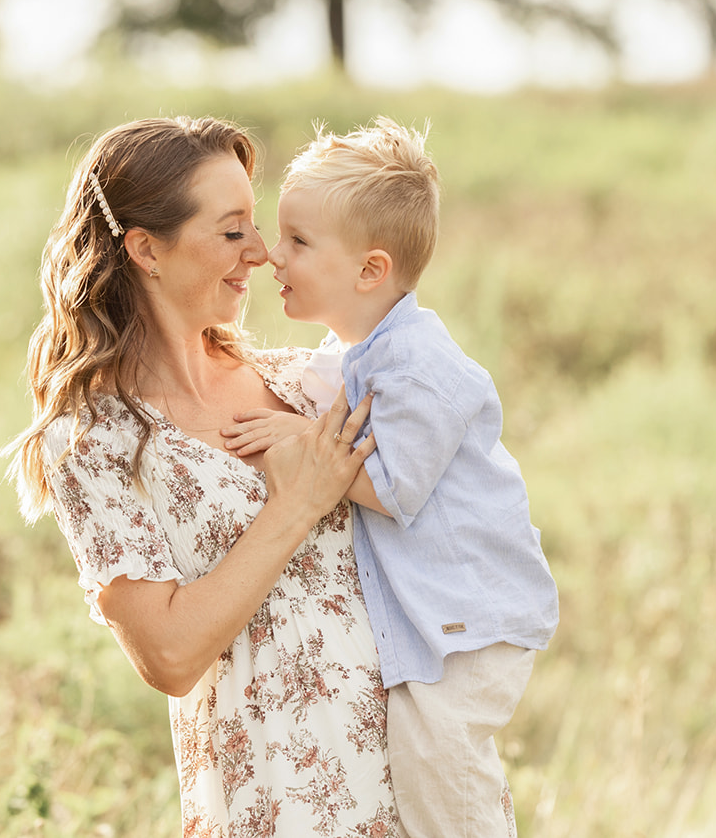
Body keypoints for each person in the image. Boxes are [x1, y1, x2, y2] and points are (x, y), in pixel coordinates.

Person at [3, 116, 403, 837]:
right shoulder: (95, 442)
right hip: (278, 796)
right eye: (231, 231)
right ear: (146, 249)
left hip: (413, 770)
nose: (261, 252)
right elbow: (170, 654)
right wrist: (296, 505)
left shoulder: (304, 383)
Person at [221, 118, 559, 838]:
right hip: (443, 619)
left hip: (472, 621)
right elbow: (313, 393)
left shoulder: (419, 366)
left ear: (370, 270)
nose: (272, 255)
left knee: (437, 762)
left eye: (298, 242)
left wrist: (301, 439)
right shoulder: (355, 353)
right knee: (417, 761)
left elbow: (391, 487)